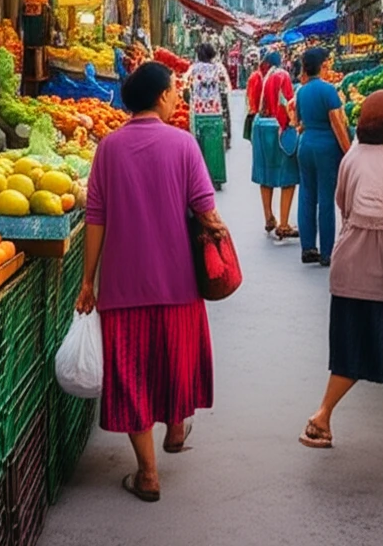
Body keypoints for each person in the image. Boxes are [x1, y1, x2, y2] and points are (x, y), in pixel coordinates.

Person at [76, 62, 226, 502]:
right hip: (178, 283)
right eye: (176, 88)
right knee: (175, 361)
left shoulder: (108, 147)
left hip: (123, 288)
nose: (179, 93)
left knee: (134, 377)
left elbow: (95, 219)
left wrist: (88, 281)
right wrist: (218, 234)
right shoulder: (183, 144)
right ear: (161, 96)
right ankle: (175, 428)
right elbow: (206, 209)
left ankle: (148, 474)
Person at [298, 89, 383, 452]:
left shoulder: (352, 156)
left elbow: (342, 200)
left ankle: (321, 418)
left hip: (351, 265)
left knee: (350, 346)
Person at [294, 46, 352, 265]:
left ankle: (308, 247)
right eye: (327, 64)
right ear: (322, 65)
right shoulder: (328, 90)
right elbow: (337, 124)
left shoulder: (302, 91)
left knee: (306, 195)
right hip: (327, 148)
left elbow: (298, 123)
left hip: (305, 146)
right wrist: (349, 152)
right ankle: (327, 252)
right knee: (326, 198)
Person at [250, 51, 299, 240]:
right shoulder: (282, 75)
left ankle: (269, 217)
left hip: (260, 127)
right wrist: (292, 123)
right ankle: (284, 224)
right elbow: (286, 103)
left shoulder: (257, 76)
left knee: (266, 174)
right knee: (288, 175)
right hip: (277, 127)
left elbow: (252, 103)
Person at [186, 42, 232, 189]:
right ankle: (216, 178)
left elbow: (184, 83)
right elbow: (227, 87)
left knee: (199, 146)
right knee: (215, 146)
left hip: (198, 113)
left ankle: (200, 179)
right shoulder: (219, 68)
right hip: (215, 112)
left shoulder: (193, 68)